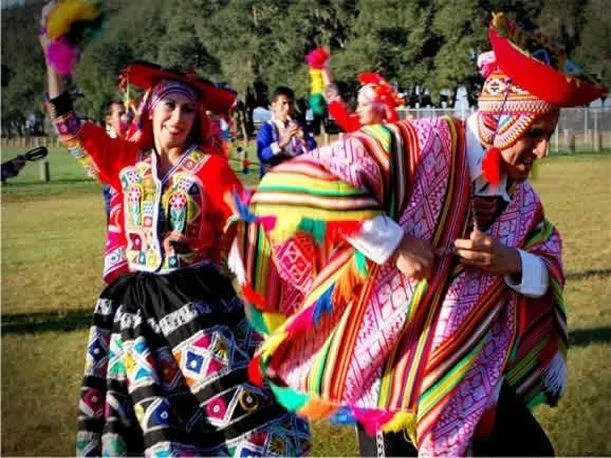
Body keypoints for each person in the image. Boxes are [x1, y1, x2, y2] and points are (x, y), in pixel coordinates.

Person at [230, 12, 606, 457]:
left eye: (549, 135)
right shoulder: (418, 144)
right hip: (390, 369)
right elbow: (308, 178)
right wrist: (394, 243)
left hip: (472, 374)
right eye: (536, 133)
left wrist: (513, 262)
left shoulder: (519, 199)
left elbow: (549, 263)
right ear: (504, 119)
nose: (542, 149)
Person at [40, 15, 310, 458]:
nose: (178, 118)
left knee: (225, 404)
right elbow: (66, 121)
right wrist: (53, 54)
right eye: (170, 106)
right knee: (148, 417)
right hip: (136, 309)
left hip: (197, 302)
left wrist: (208, 246)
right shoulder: (125, 160)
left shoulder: (211, 168)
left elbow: (249, 223)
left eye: (188, 110)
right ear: (151, 109)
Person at [256, 86, 316, 177]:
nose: (287, 108)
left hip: (298, 175)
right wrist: (282, 142)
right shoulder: (266, 128)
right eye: (283, 103)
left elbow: (314, 151)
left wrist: (304, 139)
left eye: (290, 103)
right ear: (274, 105)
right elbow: (262, 156)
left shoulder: (300, 125)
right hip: (274, 178)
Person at [101, 100, 130, 283]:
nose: (126, 117)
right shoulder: (106, 144)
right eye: (120, 114)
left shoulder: (139, 138)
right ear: (109, 119)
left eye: (127, 113)